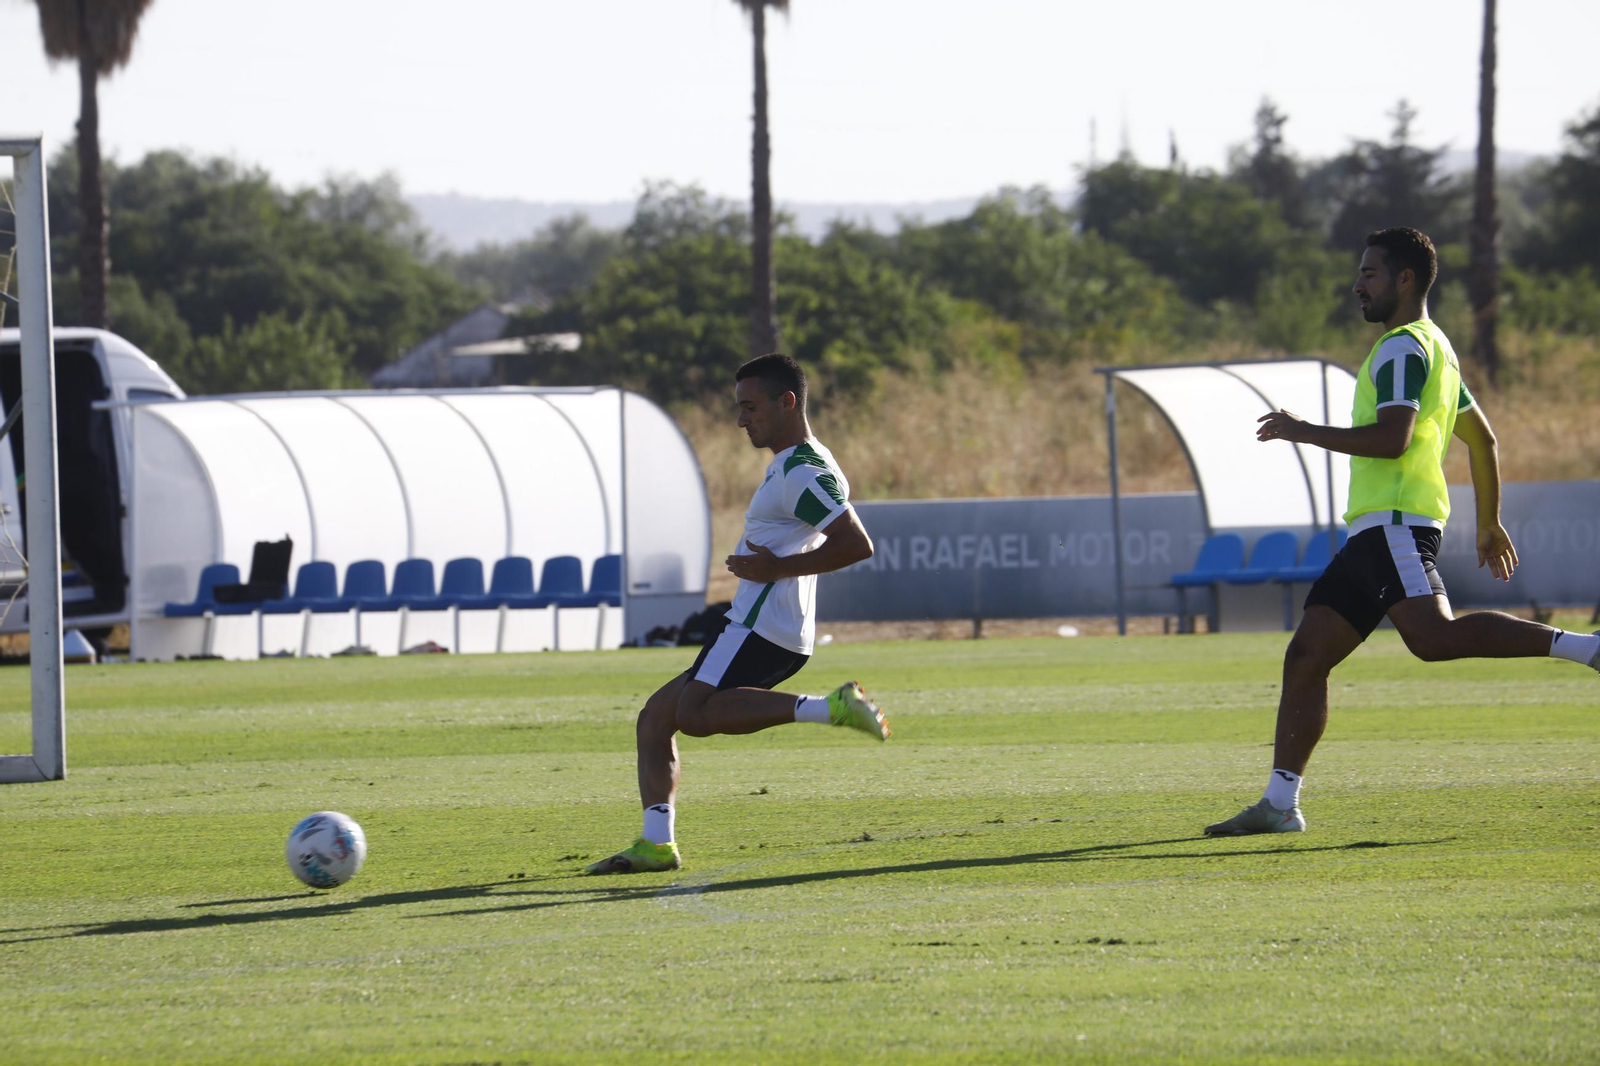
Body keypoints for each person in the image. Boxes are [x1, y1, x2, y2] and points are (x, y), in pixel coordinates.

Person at [1204, 227, 1600, 837]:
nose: (1357, 284)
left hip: (1393, 525)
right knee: (1306, 655)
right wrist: (1488, 522)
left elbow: (1393, 440)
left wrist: (1302, 430)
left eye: (1369, 273)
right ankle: (1280, 805)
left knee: (1433, 638)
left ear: (1405, 279)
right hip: (1373, 536)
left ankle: (1588, 648)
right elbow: (1483, 440)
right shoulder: (1436, 348)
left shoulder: (1401, 350)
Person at [586, 353, 891, 874]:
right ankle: (656, 843)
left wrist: (774, 569)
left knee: (692, 716)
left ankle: (831, 707)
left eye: (750, 407)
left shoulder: (805, 470)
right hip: (757, 623)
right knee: (656, 720)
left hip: (760, 626)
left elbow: (856, 544)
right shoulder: (791, 464)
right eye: (739, 408)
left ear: (786, 401)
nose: (741, 419)